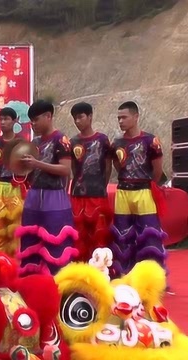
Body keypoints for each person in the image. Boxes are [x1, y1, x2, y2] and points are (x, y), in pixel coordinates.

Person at [16, 100, 78, 276]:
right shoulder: (34, 142)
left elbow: (65, 169)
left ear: (48, 116)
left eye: (36, 120)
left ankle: (57, 282)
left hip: (54, 197)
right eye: (31, 121)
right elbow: (29, 170)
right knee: (30, 239)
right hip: (34, 195)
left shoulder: (61, 139)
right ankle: (31, 280)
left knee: (55, 241)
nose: (33, 124)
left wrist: (36, 163)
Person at [110, 101, 167, 277]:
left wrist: (147, 184)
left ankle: (153, 276)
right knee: (122, 235)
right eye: (118, 118)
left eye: (124, 117)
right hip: (123, 192)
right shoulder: (117, 142)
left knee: (149, 234)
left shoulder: (150, 140)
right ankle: (124, 274)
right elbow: (117, 164)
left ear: (136, 117)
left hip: (144, 192)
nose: (120, 121)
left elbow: (157, 170)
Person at [69, 102, 113, 261]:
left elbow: (108, 166)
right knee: (79, 235)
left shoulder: (102, 140)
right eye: (75, 119)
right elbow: (74, 168)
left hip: (98, 194)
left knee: (99, 233)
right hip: (78, 194)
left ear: (90, 116)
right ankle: (81, 270)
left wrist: (101, 185)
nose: (78, 121)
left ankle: (101, 269)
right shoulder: (73, 141)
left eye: (80, 117)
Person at [0, 107, 26, 257]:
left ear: (14, 121)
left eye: (6, 119)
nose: (3, 122)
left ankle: (15, 263)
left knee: (15, 227)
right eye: (0, 119)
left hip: (16, 187)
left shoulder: (21, 143)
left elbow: (27, 166)